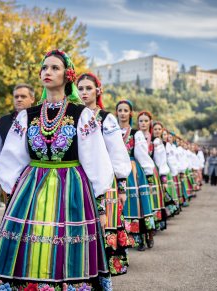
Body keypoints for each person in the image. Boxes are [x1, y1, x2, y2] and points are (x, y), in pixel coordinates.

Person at [0, 50, 114, 290]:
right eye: (44, 68)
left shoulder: (81, 115)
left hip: (71, 186)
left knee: (65, 245)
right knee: (32, 242)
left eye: (55, 68)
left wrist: (100, 200)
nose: (48, 72)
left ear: (67, 75)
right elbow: (13, 155)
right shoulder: (27, 116)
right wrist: (10, 188)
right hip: (33, 184)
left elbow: (95, 157)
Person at [77, 72, 132, 276]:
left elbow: (117, 153)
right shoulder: (73, 115)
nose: (83, 92)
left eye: (88, 88)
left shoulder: (106, 118)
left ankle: (108, 264)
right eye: (80, 88)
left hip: (104, 178)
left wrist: (122, 186)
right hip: (79, 177)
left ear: (97, 91)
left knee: (106, 221)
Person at [0, 83, 35, 207]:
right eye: (16, 97)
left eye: (23, 96)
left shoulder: (42, 120)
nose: (19, 99)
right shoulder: (2, 123)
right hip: (11, 183)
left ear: (32, 99)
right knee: (12, 223)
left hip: (37, 179)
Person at [116, 100, 156, 252]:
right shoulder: (111, 131)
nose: (123, 113)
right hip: (116, 169)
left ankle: (141, 237)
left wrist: (148, 175)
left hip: (132, 171)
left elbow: (142, 155)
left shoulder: (136, 134)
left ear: (130, 113)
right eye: (120, 110)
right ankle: (122, 237)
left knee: (137, 205)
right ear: (116, 113)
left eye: (126, 110)